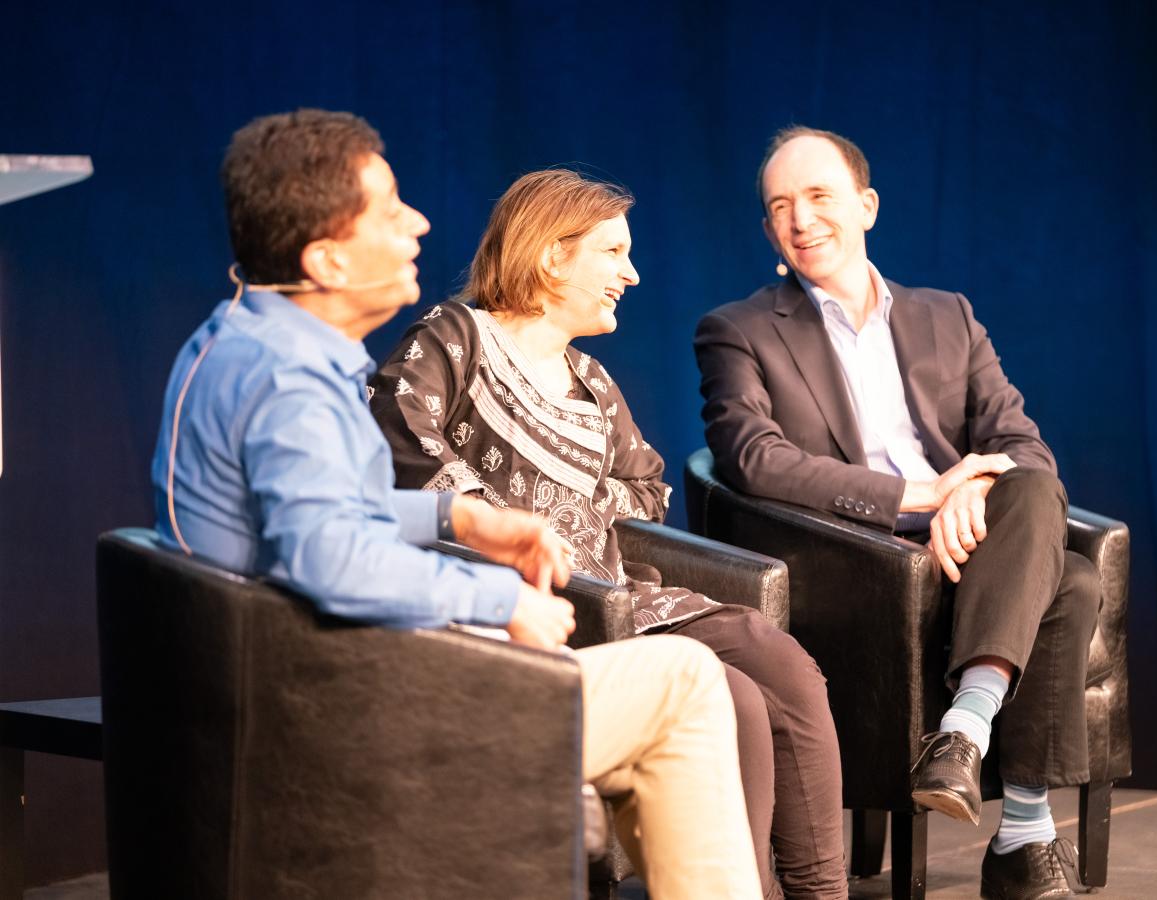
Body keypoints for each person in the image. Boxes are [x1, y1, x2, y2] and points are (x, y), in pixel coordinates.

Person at [149, 108, 761, 900]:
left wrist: (458, 518)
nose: (419, 224)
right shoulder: (290, 385)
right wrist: (497, 595)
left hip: (307, 680)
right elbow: (331, 558)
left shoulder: (244, 342)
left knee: (668, 702)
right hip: (341, 712)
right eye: (391, 208)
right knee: (683, 681)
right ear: (328, 260)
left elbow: (315, 517)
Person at [369, 169, 849, 899]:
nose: (630, 273)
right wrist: (503, 518)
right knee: (736, 701)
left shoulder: (591, 380)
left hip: (613, 593)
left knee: (777, 659)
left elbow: (645, 488)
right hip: (525, 607)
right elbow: (401, 442)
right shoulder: (454, 338)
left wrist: (580, 512)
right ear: (552, 254)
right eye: (613, 252)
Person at [694, 126, 1101, 899]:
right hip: (860, 562)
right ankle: (1022, 833)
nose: (801, 219)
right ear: (767, 229)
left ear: (868, 206)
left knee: (1032, 487)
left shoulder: (947, 314)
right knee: (1072, 584)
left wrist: (971, 495)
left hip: (975, 544)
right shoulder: (738, 330)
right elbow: (752, 457)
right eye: (781, 206)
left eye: (820, 197)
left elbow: (1020, 442)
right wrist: (926, 495)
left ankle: (963, 734)